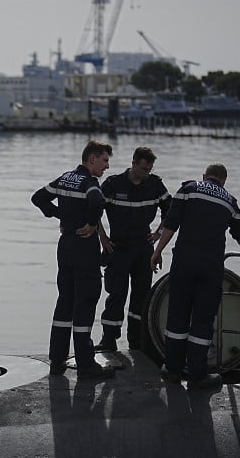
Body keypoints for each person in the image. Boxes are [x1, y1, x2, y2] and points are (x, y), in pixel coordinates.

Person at [150, 164, 240, 388]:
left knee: (178, 314)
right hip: (210, 265)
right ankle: (198, 375)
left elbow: (171, 223)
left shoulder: (188, 189)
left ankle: (172, 369)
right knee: (203, 319)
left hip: (184, 262)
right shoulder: (229, 200)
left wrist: (157, 251)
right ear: (223, 182)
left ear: (204, 176)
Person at [31, 141, 116, 379]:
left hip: (65, 245)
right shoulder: (90, 183)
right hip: (84, 246)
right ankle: (86, 363)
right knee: (86, 301)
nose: (106, 167)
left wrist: (60, 214)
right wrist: (91, 224)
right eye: (104, 161)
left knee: (65, 300)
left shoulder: (64, 178)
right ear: (92, 159)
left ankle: (57, 360)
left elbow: (38, 198)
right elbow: (98, 202)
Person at [94, 146, 172, 352]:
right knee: (116, 294)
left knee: (142, 295)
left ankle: (137, 341)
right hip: (117, 247)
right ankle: (108, 339)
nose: (147, 173)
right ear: (134, 164)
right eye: (144, 169)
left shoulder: (155, 185)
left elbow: (172, 211)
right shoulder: (113, 184)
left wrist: (158, 233)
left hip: (143, 247)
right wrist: (103, 238)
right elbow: (93, 212)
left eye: (150, 169)